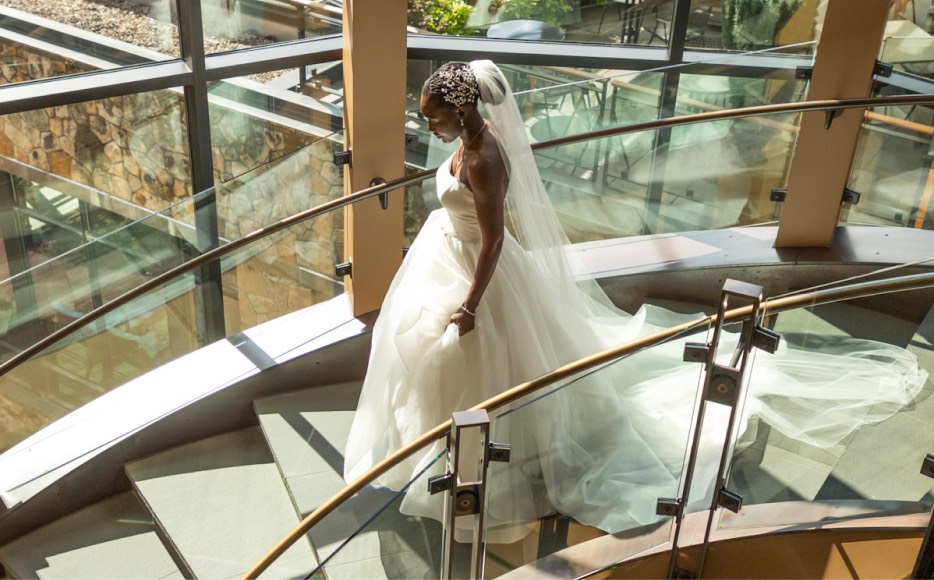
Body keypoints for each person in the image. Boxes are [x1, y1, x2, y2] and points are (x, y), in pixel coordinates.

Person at [343, 60, 929, 541]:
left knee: (486, 368)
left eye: (434, 116)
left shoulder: (485, 157)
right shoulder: (469, 141)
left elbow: (496, 239)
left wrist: (470, 306)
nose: (430, 126)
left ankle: (488, 461)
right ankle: (445, 448)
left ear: (463, 108)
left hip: (478, 276)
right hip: (449, 257)